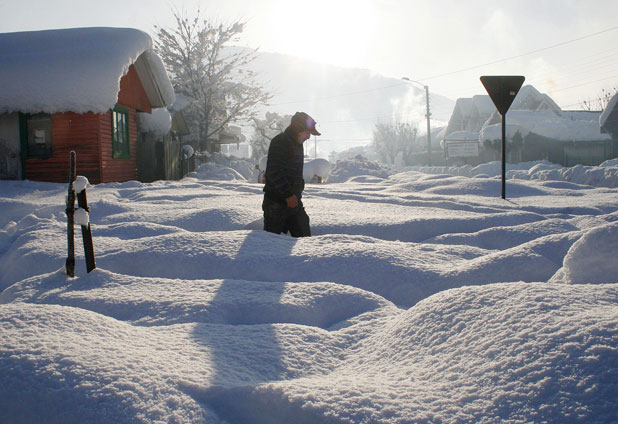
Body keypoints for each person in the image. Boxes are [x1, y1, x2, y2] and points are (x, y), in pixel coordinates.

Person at [262, 112, 321, 237]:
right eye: (308, 133)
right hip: (276, 203)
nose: (309, 137)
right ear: (298, 129)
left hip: (293, 202)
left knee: (304, 238)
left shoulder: (297, 144)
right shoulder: (280, 142)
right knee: (271, 243)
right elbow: (274, 171)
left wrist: (296, 192)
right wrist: (288, 194)